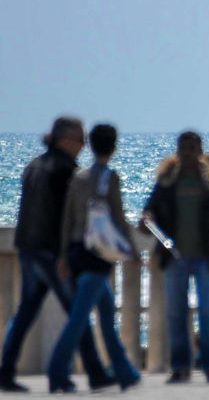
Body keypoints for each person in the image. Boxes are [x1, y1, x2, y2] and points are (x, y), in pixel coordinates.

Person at [0, 117, 117, 393]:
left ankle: (5, 371)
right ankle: (93, 372)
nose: (83, 145)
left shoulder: (33, 166)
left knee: (26, 312)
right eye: (80, 140)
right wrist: (66, 255)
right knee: (77, 313)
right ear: (65, 140)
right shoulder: (65, 170)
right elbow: (64, 219)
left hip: (28, 248)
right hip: (51, 253)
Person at [141, 131, 209, 384]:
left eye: (192, 147)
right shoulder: (166, 181)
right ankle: (180, 366)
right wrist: (148, 219)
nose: (187, 152)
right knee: (176, 313)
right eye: (183, 147)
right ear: (177, 150)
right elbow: (149, 210)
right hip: (174, 256)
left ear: (200, 150)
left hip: (207, 256)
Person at [48, 124, 141, 393]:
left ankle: (125, 373)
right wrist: (132, 250)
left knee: (106, 313)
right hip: (97, 255)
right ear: (113, 147)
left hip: (78, 251)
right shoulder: (109, 178)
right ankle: (56, 372)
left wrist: (64, 254)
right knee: (79, 319)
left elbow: (68, 219)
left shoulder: (78, 177)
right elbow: (119, 219)